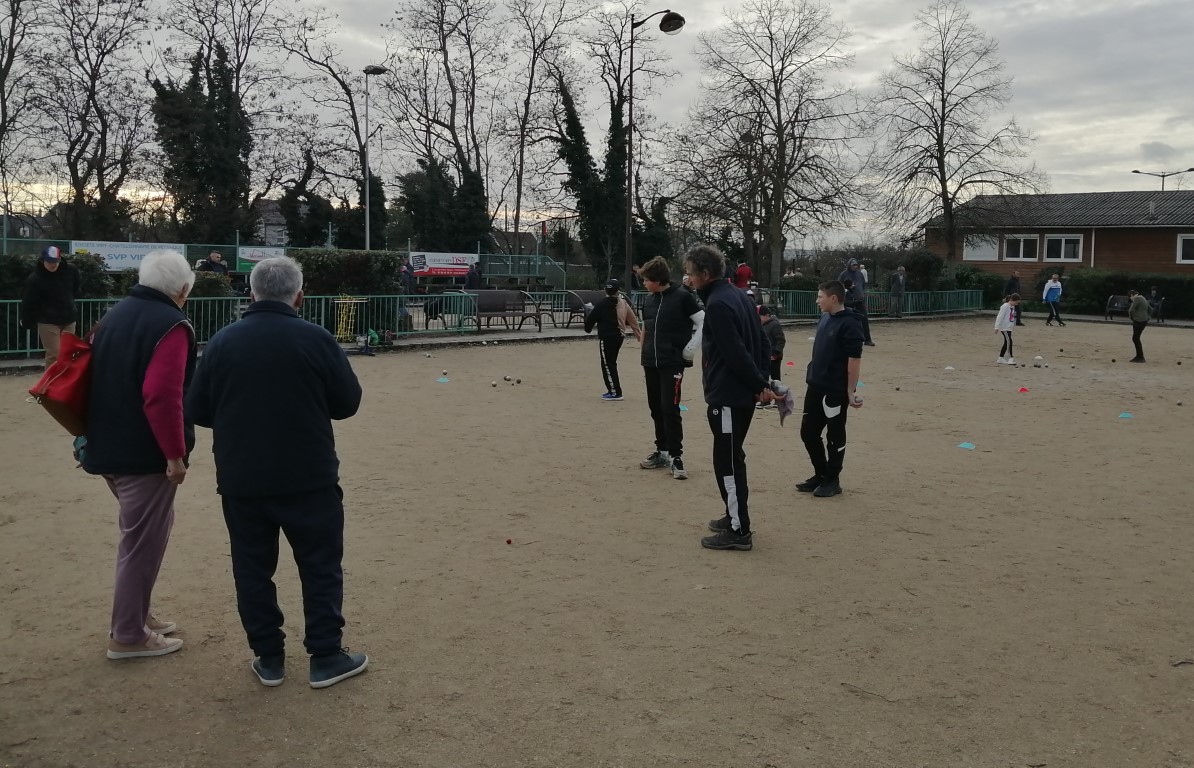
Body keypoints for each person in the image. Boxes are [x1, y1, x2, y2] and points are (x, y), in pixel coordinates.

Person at [186, 256, 368, 689]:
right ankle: (325, 654)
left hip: (243, 476)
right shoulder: (316, 338)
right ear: (298, 296)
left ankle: (269, 656)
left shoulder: (223, 342)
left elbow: (198, 409)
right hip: (309, 474)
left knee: (251, 568)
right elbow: (347, 403)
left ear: (251, 293)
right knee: (321, 565)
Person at [81, 250, 197, 660]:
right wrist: (175, 454)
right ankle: (128, 633)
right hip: (143, 453)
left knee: (143, 536)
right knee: (142, 543)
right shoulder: (171, 325)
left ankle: (137, 614)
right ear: (182, 290)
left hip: (106, 445)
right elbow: (162, 396)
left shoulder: (114, 315)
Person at [683, 245, 773, 551]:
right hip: (737, 392)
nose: (689, 279)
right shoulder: (739, 296)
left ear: (705, 274)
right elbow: (761, 341)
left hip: (729, 396)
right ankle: (732, 514)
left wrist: (760, 382)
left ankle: (739, 529)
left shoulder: (720, 304)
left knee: (728, 461)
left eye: (692, 273)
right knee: (729, 457)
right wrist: (762, 380)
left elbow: (736, 353)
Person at [639, 255, 704, 481]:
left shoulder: (683, 297)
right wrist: (643, 349)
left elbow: (704, 321)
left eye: (647, 280)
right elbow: (646, 327)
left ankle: (677, 456)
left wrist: (689, 350)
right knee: (655, 407)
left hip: (672, 362)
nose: (644, 284)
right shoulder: (649, 300)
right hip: (651, 362)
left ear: (658, 279)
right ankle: (663, 451)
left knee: (670, 408)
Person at [798, 280, 865, 498]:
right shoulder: (825, 317)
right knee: (808, 433)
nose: (817, 300)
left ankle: (833, 479)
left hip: (835, 390)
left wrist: (850, 391)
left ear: (833, 298)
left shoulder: (851, 323)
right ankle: (821, 473)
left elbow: (854, 360)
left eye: (820, 296)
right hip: (815, 385)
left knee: (834, 435)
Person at [20, 246, 82, 368]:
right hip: (47, 321)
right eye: (49, 261)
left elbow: (76, 288)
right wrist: (26, 321)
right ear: (43, 260)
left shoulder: (71, 271)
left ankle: (65, 383)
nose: (52, 264)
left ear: (60, 259)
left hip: (68, 318)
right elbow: (29, 302)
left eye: (55, 261)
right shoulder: (35, 279)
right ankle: (50, 384)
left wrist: (70, 303)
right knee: (54, 354)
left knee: (68, 353)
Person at [584, 278, 641, 401]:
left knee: (607, 364)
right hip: (619, 337)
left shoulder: (601, 305)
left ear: (605, 290)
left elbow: (588, 325)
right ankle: (614, 390)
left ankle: (615, 392)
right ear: (618, 290)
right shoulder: (622, 302)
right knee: (611, 362)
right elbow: (633, 320)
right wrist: (640, 338)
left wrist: (588, 317)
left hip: (607, 337)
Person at [837, 259, 874, 346]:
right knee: (847, 321)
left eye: (856, 265)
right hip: (848, 301)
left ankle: (867, 339)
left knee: (864, 319)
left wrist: (862, 294)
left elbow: (863, 285)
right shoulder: (843, 274)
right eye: (853, 265)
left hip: (859, 300)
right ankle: (842, 339)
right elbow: (838, 286)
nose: (855, 266)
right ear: (849, 265)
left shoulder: (860, 274)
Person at [759, 305, 786, 390]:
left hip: (775, 358)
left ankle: (779, 397)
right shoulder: (760, 326)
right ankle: (765, 399)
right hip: (765, 356)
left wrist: (776, 353)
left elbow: (781, 340)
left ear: (766, 315)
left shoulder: (774, 325)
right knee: (764, 378)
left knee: (776, 379)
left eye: (760, 316)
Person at [994, 294, 1020, 365]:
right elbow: (999, 317)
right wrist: (996, 327)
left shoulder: (1012, 306)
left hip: (1009, 328)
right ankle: (1010, 358)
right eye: (1016, 302)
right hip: (1004, 328)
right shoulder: (1005, 306)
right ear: (1011, 300)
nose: (1016, 304)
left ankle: (1000, 358)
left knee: (1006, 342)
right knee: (1009, 342)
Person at [1128, 289, 1150, 363]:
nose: (1130, 299)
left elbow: (1131, 310)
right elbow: (1150, 308)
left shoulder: (1137, 299)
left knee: (1135, 338)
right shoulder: (1143, 298)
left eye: (1130, 297)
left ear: (1131, 295)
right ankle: (1139, 356)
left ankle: (1140, 357)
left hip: (1138, 321)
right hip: (1144, 320)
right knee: (1136, 338)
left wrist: (1131, 317)